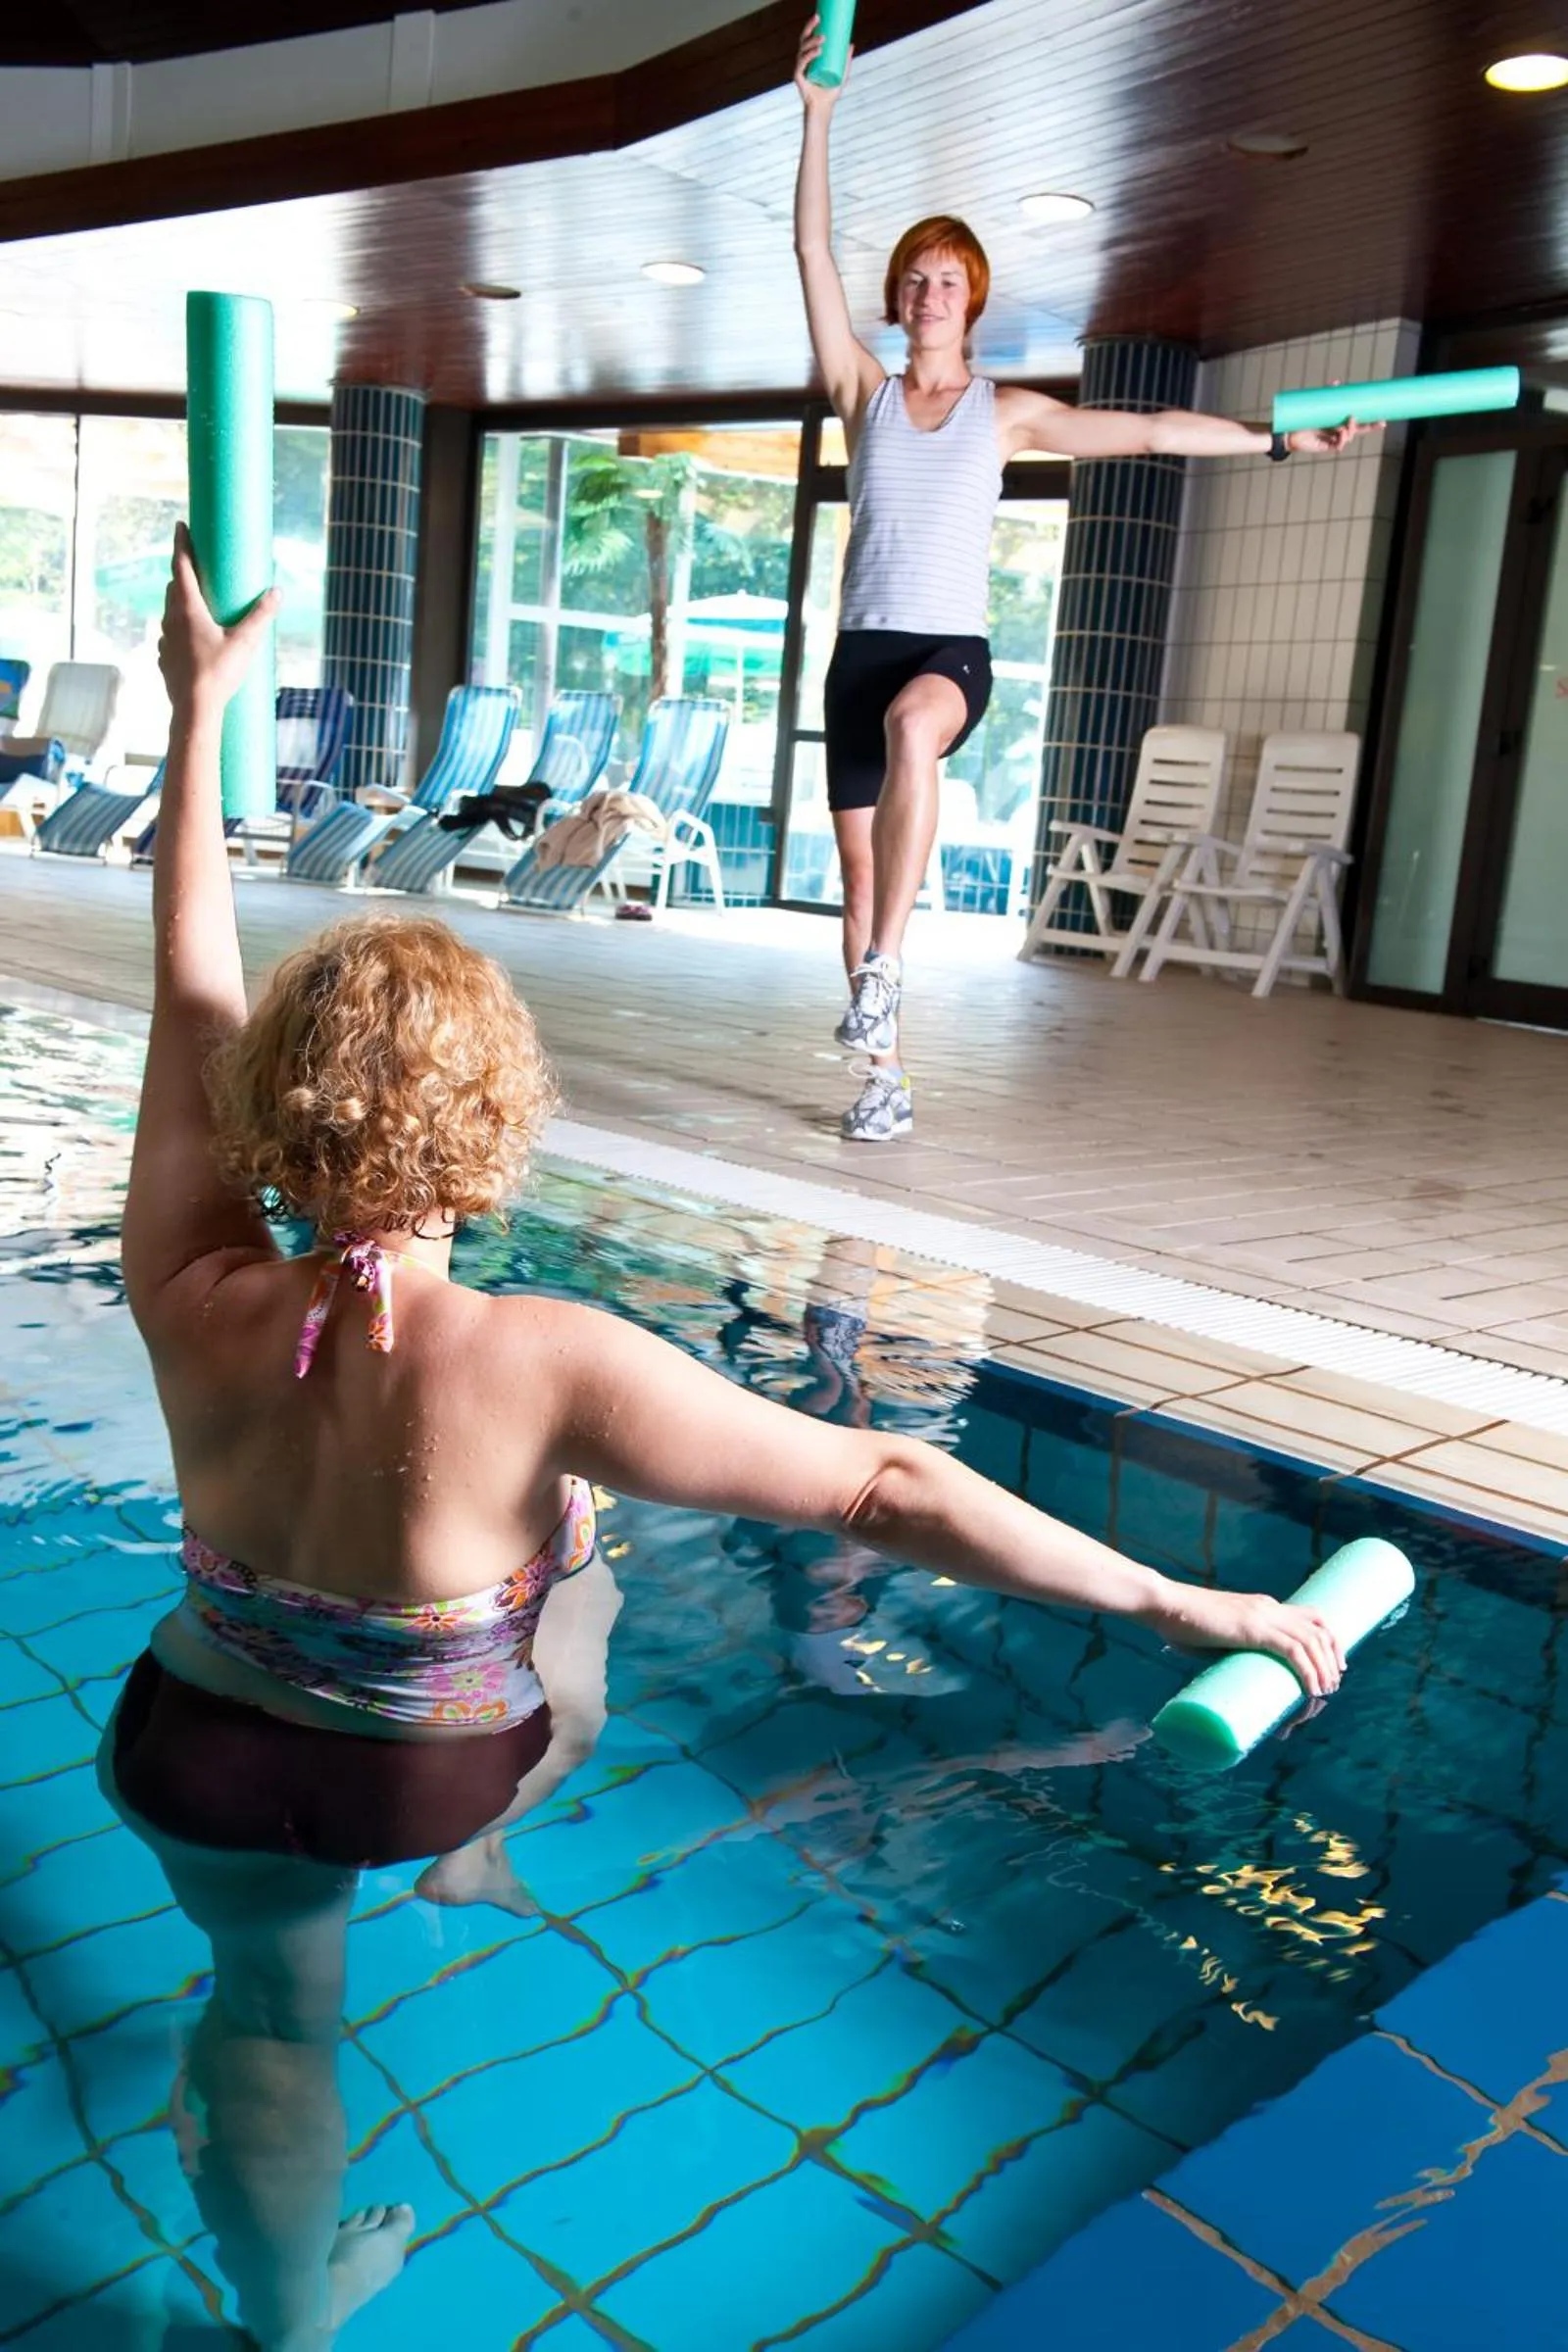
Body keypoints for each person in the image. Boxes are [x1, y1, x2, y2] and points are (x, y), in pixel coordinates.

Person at [110, 529, 1344, 2345]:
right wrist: (1184, 1604)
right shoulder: (547, 1357)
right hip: (412, 1773)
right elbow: (886, 1478)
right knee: (577, 1550)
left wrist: (200, 720)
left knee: (270, 2018)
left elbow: (192, 991)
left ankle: (287, 2309)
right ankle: (478, 1849)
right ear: (495, 1123)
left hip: (197, 1748)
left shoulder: (195, 1288)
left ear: (274, 1117)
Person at [793, 17, 1377, 1142]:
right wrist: (818, 115)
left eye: (949, 281)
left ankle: (890, 968)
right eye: (915, 279)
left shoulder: (1006, 412)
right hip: (856, 651)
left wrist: (1270, 440)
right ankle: (885, 1076)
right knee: (856, 878)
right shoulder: (859, 392)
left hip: (941, 656)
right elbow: (811, 255)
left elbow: (1153, 428)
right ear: (896, 298)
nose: (929, 294)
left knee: (918, 735)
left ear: (974, 300)